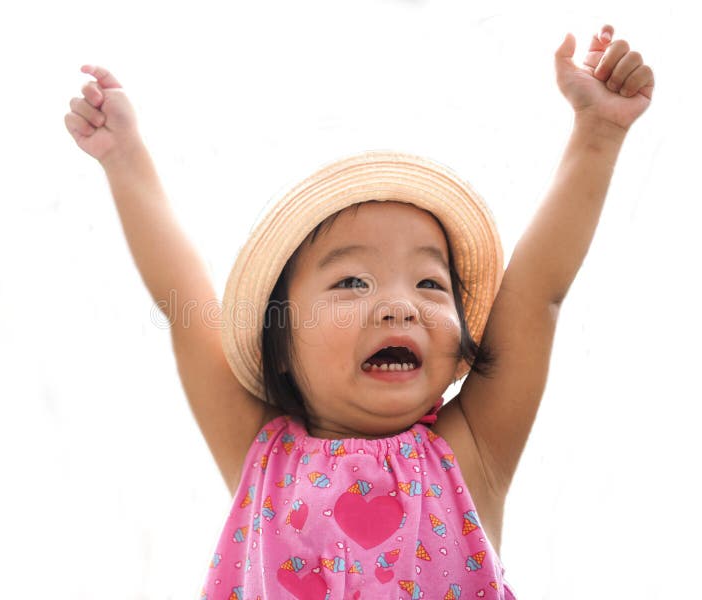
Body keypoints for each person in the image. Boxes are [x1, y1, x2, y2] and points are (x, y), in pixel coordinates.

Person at [65, 23, 654, 599]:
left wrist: (597, 134)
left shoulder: (473, 448)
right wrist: (125, 158)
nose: (399, 305)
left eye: (429, 282)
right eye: (351, 281)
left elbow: (538, 294)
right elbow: (185, 299)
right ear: (282, 342)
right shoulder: (259, 454)